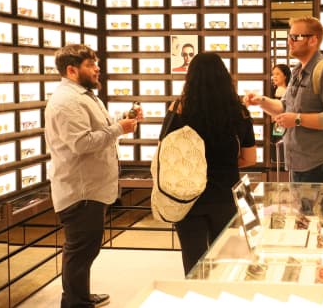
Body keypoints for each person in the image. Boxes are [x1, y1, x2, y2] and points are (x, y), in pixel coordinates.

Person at [44, 44, 140, 308]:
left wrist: (122, 122)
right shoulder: (67, 101)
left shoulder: (83, 96)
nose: (97, 68)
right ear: (71, 70)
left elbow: (96, 130)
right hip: (81, 191)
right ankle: (75, 303)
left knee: (85, 248)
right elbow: (81, 143)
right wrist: (119, 128)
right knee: (80, 250)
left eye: (96, 63)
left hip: (90, 189)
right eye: (90, 64)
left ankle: (80, 296)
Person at [159, 52, 256, 274]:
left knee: (194, 261)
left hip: (187, 196)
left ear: (190, 78)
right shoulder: (239, 111)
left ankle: (196, 292)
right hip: (226, 195)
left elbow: (164, 152)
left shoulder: (179, 109)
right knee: (224, 261)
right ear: (225, 77)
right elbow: (250, 158)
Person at [244, 16, 323, 183]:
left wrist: (298, 119)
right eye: (289, 36)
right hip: (298, 163)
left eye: (295, 37)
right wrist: (261, 101)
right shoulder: (297, 71)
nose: (289, 41)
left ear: (313, 40)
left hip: (320, 164)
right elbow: (284, 106)